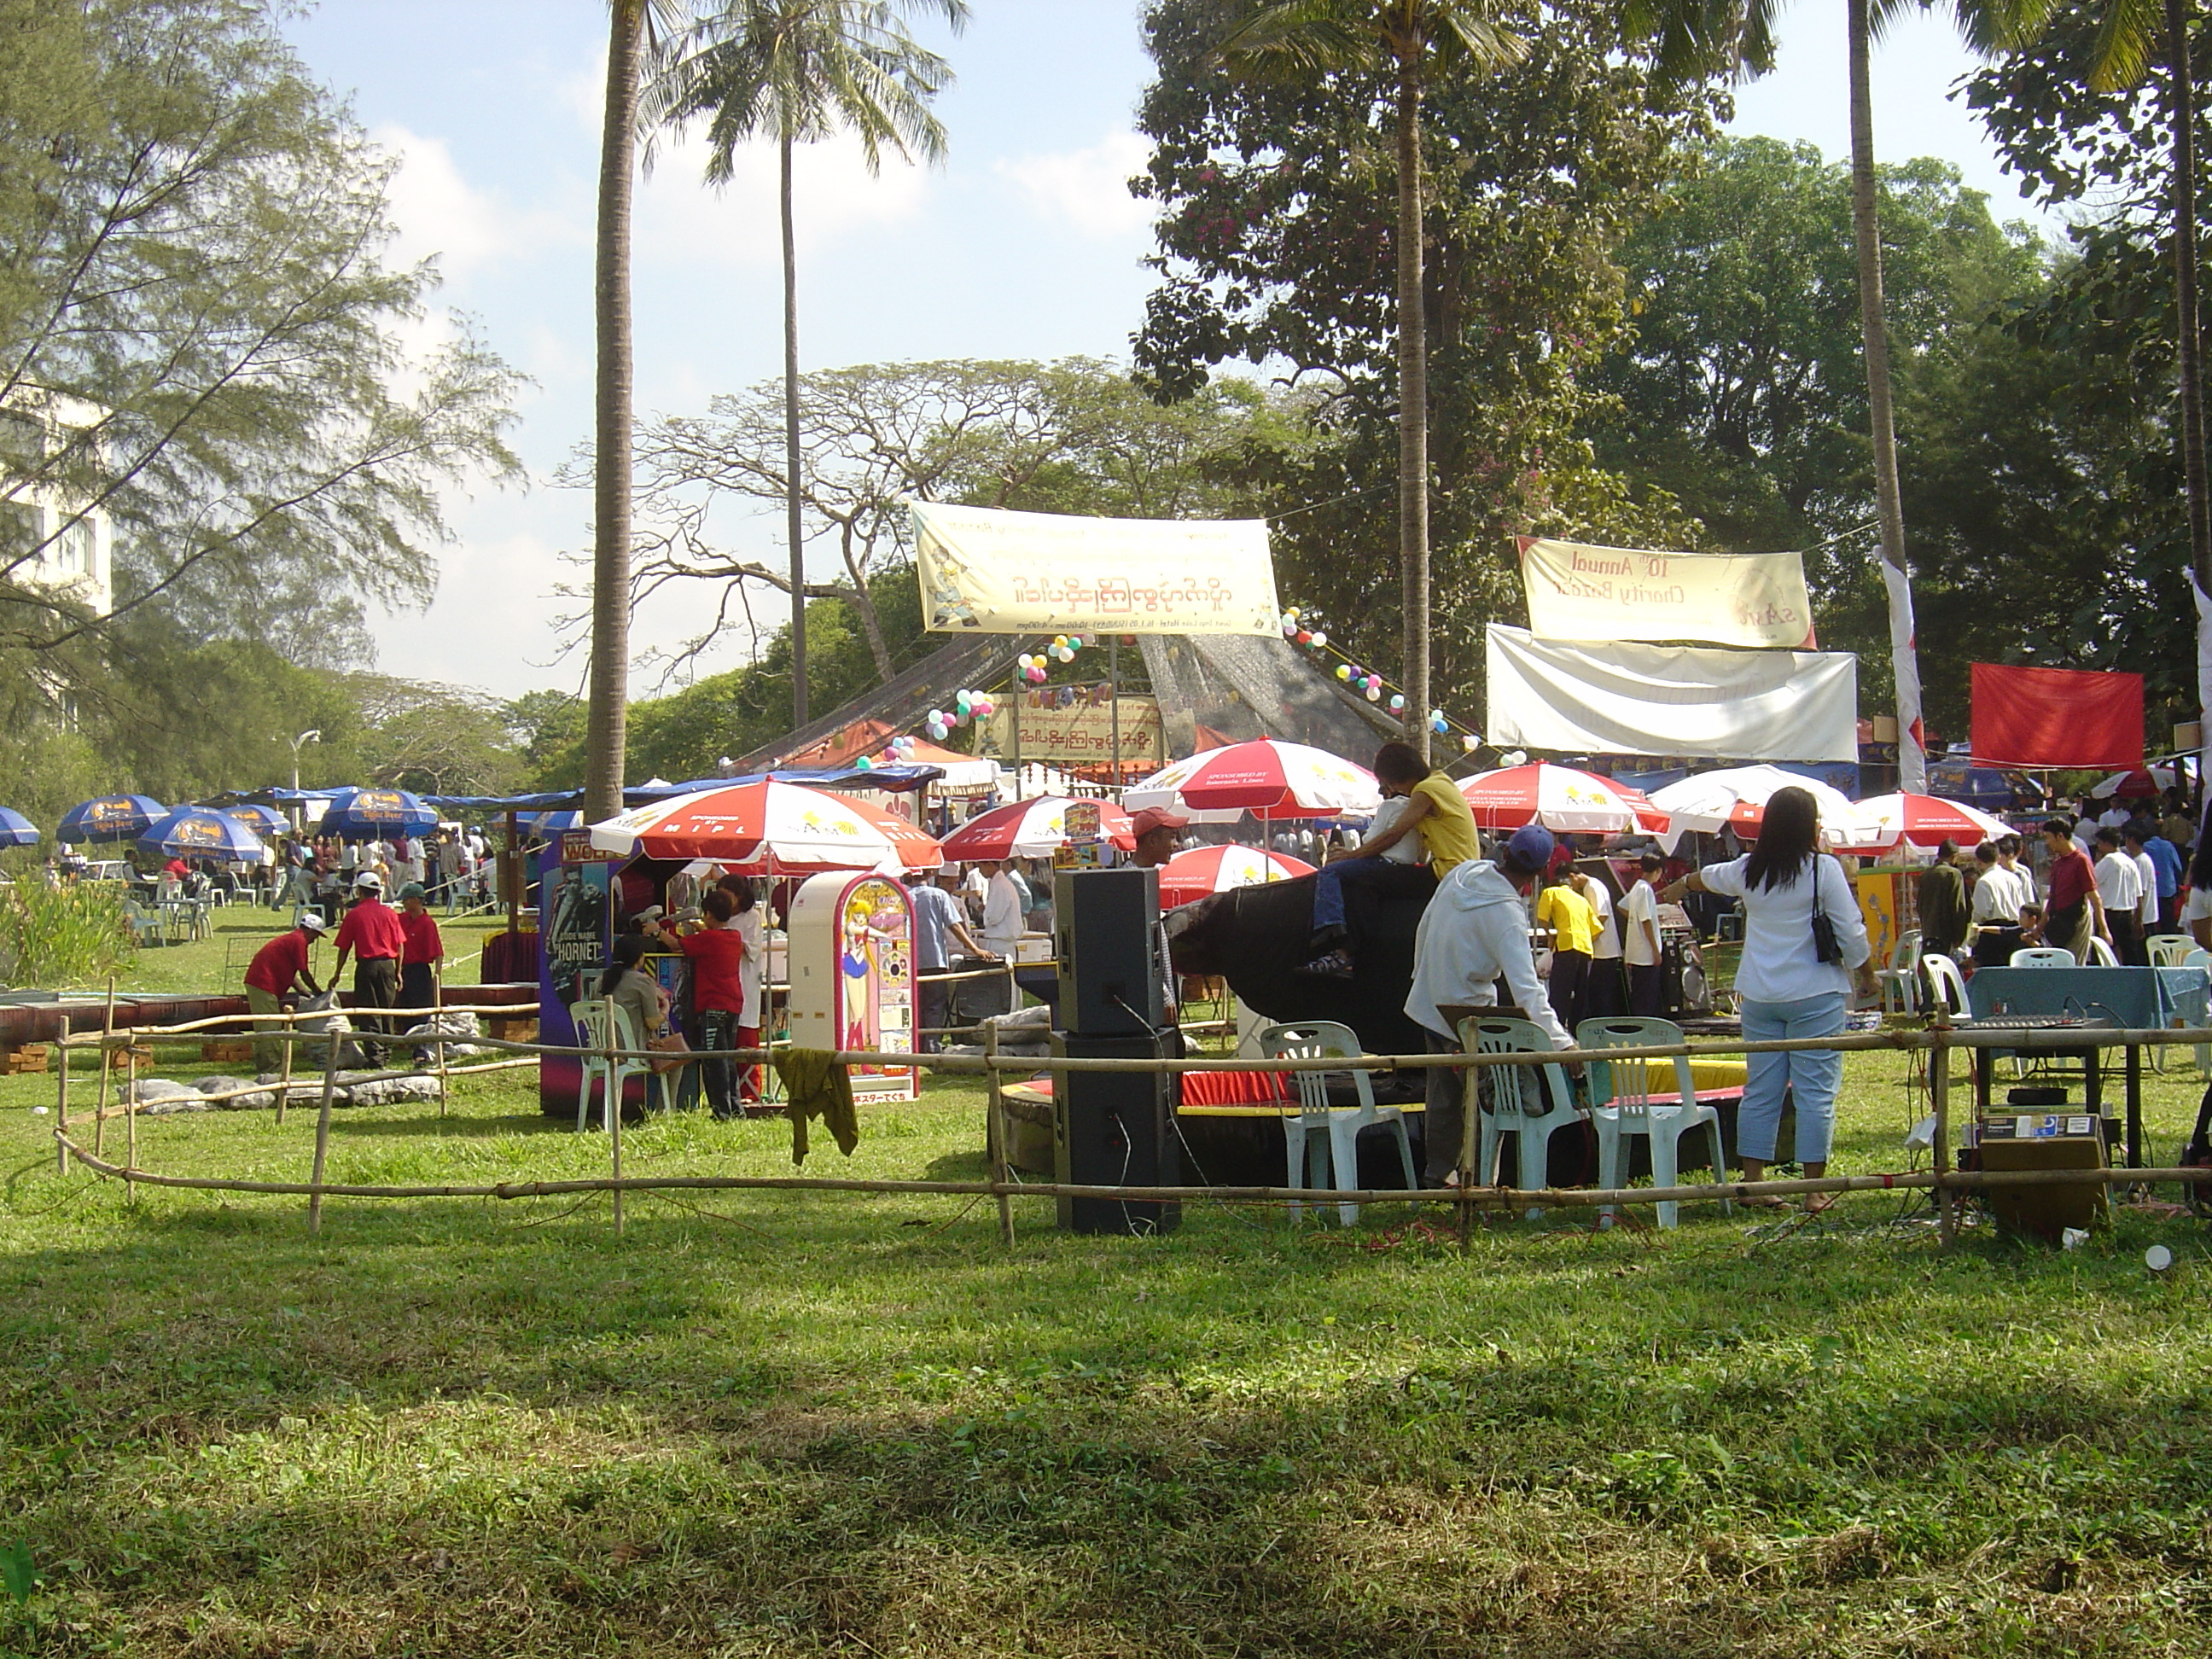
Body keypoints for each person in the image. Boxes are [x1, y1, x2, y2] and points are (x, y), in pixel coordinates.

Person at [1663, 785, 1873, 1213]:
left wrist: (1679, 886)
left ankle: (1754, 1181)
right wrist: (1867, 974)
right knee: (1816, 1092)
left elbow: (1707, 877)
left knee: (1761, 1089)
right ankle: (1812, 1191)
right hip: (1815, 992)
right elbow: (1850, 930)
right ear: (1810, 826)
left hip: (1759, 993)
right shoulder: (1822, 870)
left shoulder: (1749, 870)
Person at [1406, 824, 1574, 1189]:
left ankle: (1439, 1174)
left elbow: (1424, 927)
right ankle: (1480, 1179)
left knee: (1443, 1098)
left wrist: (1423, 978)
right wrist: (1564, 1045)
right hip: (1469, 1017)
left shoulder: (1462, 873)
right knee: (1491, 1102)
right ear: (1541, 872)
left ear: (1505, 852)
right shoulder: (1507, 917)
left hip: (1430, 1003)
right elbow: (1528, 992)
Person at [1306, 741, 1479, 975]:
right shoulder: (1440, 780)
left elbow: (1394, 834)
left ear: (1400, 778)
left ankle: (1348, 952)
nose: (1394, 789)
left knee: (1367, 883)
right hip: (1459, 869)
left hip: (1448, 873)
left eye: (1391, 783)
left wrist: (1352, 856)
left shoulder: (1424, 791)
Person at [649, 885, 756, 1115]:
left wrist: (656, 930)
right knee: (727, 1058)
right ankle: (735, 1108)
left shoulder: (708, 938)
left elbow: (677, 945)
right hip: (733, 1004)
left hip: (713, 1006)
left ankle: (722, 1111)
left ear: (708, 915)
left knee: (713, 1059)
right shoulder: (734, 936)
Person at [910, 864, 991, 1053]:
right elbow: (954, 925)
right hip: (934, 958)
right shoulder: (938, 896)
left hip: (909, 961)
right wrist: (975, 949)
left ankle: (916, 1046)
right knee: (935, 1005)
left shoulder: (904, 896)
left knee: (916, 1005)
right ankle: (932, 1046)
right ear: (931, 875)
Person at [330, 872, 405, 1064]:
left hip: (367, 966)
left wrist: (337, 973)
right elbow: (399, 945)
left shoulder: (354, 915)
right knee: (386, 1009)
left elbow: (344, 948)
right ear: (378, 892)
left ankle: (375, 1055)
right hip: (387, 965)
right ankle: (387, 1050)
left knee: (368, 1010)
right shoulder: (390, 913)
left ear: (359, 891)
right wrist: (398, 971)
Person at [244, 910, 327, 1072]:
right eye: (315, 936)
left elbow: (293, 976)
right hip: (263, 983)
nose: (314, 940)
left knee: (265, 1026)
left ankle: (264, 1064)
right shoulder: (299, 941)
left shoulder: (293, 939)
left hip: (260, 983)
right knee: (270, 1026)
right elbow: (304, 972)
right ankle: (272, 1067)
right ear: (309, 930)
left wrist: (307, 994)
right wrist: (318, 992)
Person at [1534, 869, 1597, 1033]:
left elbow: (1542, 919)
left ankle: (1557, 1031)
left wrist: (1550, 936)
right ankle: (1579, 1033)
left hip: (1567, 945)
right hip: (1586, 948)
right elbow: (1597, 928)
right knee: (1581, 995)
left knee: (1560, 992)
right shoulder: (1581, 900)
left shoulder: (1551, 892)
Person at [394, 882, 444, 1062]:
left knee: (421, 1010)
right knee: (405, 1006)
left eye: (407, 900)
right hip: (402, 969)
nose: (404, 904)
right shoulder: (401, 919)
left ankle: (421, 1048)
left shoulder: (427, 923)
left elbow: (438, 953)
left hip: (419, 970)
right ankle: (408, 1041)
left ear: (416, 900)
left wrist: (437, 976)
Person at [2041, 818, 2104, 961]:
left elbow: (2094, 897)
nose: (2047, 842)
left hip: (2077, 918)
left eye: (2048, 837)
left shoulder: (2081, 861)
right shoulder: (2057, 863)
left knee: (2074, 964)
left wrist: (2103, 928)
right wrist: (2040, 927)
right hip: (2059, 920)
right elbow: (2052, 900)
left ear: (2060, 836)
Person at [1574, 866, 1625, 1017]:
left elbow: (1601, 916)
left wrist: (1588, 940)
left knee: (1601, 995)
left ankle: (1603, 1025)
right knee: (1600, 993)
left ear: (1573, 876)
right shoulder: (1595, 885)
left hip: (1604, 951)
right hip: (1604, 950)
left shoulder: (1592, 887)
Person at [1621, 851, 1667, 1016]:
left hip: (1636, 949)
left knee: (1640, 991)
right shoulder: (1645, 890)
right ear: (1658, 871)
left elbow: (1622, 906)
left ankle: (1639, 1020)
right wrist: (1655, 950)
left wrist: (1634, 917)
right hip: (1645, 952)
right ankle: (1643, 1022)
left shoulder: (1637, 887)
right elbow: (1646, 921)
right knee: (1646, 994)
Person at [1970, 841, 2029, 968]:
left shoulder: (1984, 881)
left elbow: (1981, 913)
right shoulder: (2013, 878)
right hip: (2015, 930)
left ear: (1979, 861)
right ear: (1998, 857)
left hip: (1992, 934)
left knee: (1993, 974)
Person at [2093, 826, 2142, 963]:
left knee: (2102, 954)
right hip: (2128, 914)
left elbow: (2093, 881)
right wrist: (2139, 919)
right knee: (2129, 953)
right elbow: (2139, 894)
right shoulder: (2130, 862)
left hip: (2110, 913)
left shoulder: (2109, 860)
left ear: (2106, 843)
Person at [1917, 840, 1970, 965]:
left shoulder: (1926, 874)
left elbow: (1919, 904)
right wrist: (1960, 936)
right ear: (1954, 856)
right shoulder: (1953, 874)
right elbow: (1958, 907)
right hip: (1947, 933)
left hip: (1928, 932)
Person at [2123, 825, 2162, 959]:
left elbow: (2141, 892)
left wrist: (2137, 918)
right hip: (2146, 914)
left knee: (2143, 955)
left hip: (2145, 916)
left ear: (2132, 840)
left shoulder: (2141, 862)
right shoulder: (2141, 860)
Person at [2141, 818, 2184, 933]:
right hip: (2168, 886)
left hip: (2153, 888)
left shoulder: (2145, 847)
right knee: (2169, 920)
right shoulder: (2168, 845)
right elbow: (2178, 866)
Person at [980, 858, 1025, 959]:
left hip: (1001, 942)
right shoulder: (1001, 884)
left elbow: (993, 917)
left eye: (980, 866)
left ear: (989, 864)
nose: (980, 871)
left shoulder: (1000, 885)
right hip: (1003, 941)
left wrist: (985, 913)